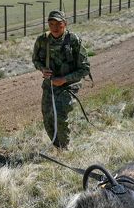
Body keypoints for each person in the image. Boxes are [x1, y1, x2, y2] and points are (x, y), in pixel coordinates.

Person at [32, 10, 91, 149]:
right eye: (51, 24)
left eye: (58, 24)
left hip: (69, 85)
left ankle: (65, 148)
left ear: (65, 24)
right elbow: (35, 60)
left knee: (60, 115)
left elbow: (85, 68)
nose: (55, 27)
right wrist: (42, 69)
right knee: (47, 117)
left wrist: (64, 79)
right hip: (50, 85)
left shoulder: (73, 40)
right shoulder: (42, 40)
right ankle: (58, 147)